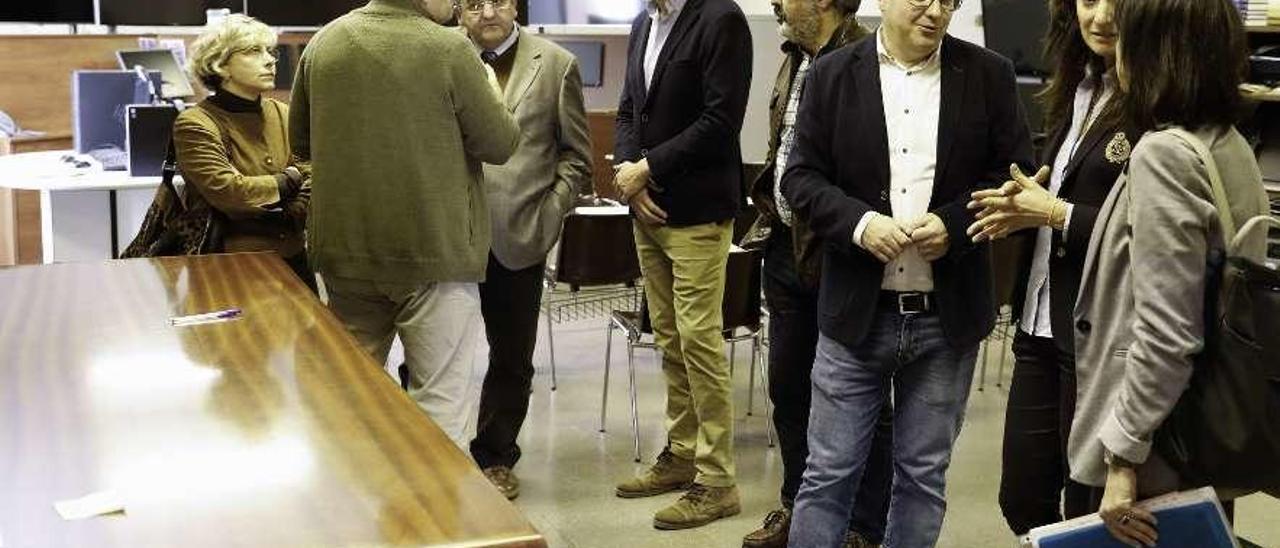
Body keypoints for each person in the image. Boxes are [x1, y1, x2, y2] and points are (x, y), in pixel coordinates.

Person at [780, 0, 1035, 542]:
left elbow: (1013, 176)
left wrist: (955, 226)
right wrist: (859, 224)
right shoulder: (831, 74)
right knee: (827, 475)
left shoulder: (989, 75)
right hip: (856, 315)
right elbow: (799, 178)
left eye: (950, 1)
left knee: (922, 477)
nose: (937, 10)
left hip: (947, 321)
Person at [1066, 0, 1269, 545]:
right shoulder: (1228, 143)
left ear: (1156, 50)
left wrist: (1122, 456)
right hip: (1208, 430)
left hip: (1158, 446)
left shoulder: (1162, 155)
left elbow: (1166, 331)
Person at [289, 0, 519, 448]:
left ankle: (354, 505)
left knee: (348, 399)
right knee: (438, 407)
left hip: (346, 254)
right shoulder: (451, 50)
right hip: (435, 252)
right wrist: (490, 89)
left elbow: (301, 141)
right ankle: (428, 513)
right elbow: (500, 143)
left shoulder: (323, 44)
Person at [964, 0, 1132, 535]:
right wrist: (1023, 209)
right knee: (1022, 498)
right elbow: (1058, 195)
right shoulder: (1074, 86)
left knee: (1087, 511)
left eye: (1116, 3)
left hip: (1098, 337)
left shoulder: (1152, 103)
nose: (1100, 16)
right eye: (1087, 1)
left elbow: (1144, 231)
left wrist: (1056, 213)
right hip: (1039, 324)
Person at [738, 0, 892, 546]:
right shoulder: (794, 56)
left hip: (838, 253)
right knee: (789, 389)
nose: (777, 3)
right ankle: (798, 509)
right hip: (784, 249)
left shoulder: (868, 60)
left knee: (858, 395)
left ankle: (863, 526)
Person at [610, 0, 753, 531]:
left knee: (699, 340)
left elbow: (721, 120)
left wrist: (648, 167)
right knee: (668, 337)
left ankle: (718, 481)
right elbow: (629, 110)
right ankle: (682, 452)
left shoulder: (721, 18)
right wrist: (632, 172)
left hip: (697, 212)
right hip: (648, 208)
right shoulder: (645, 20)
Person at [458, 0, 593, 500]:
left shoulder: (556, 64)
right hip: (447, 235)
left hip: (519, 235)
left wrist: (548, 213)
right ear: (457, 12)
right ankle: (428, 448)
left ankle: (496, 455)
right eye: (474, 3)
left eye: (499, 1)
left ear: (515, 6)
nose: (488, 12)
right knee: (430, 353)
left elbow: (576, 158)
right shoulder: (440, 56)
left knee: (511, 358)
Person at [175, 14, 314, 291]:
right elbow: (231, 193)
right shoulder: (195, 123)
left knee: (311, 335)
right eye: (253, 51)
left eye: (269, 51)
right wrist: (289, 180)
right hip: (232, 268)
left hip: (295, 259)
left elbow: (313, 172)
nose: (270, 60)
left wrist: (289, 207)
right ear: (220, 63)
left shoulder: (283, 113)